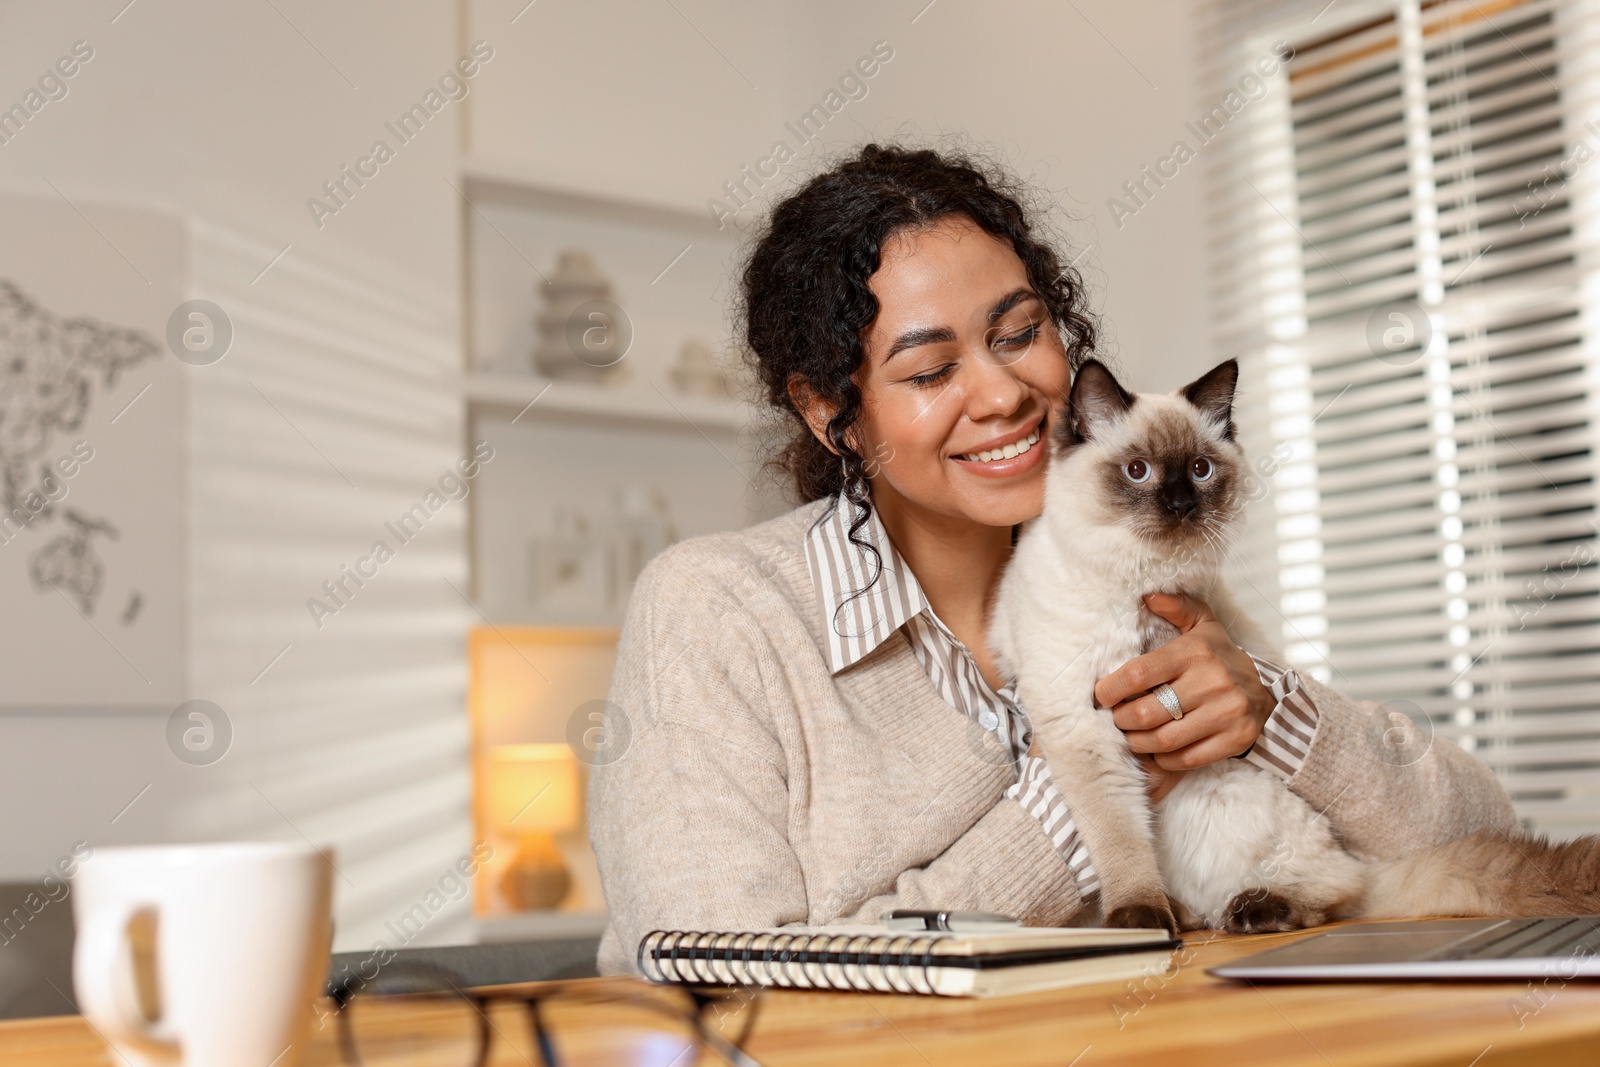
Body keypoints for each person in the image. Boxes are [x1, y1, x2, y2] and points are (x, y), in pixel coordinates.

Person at [588, 143, 1516, 975]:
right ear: (829, 412)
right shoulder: (720, 610)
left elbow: (1482, 839)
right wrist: (1090, 800)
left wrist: (1274, 714)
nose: (1002, 394)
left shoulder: (1143, 559)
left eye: (1018, 333)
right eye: (928, 370)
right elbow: (712, 979)